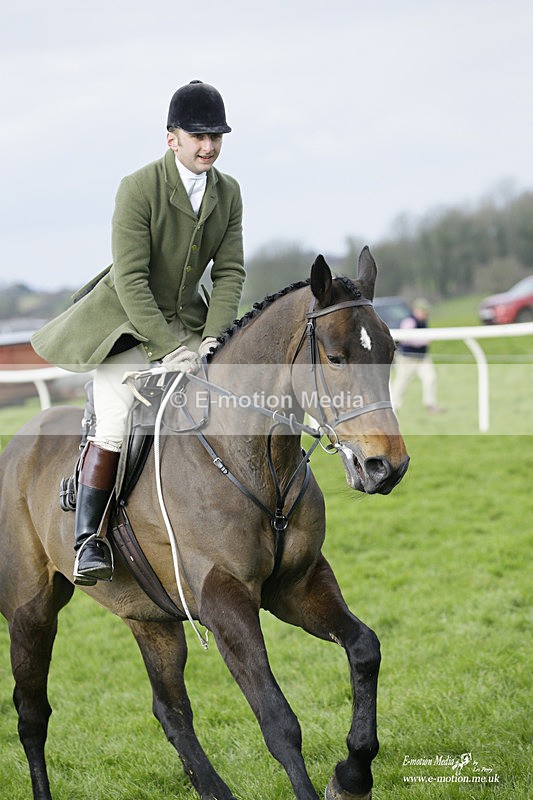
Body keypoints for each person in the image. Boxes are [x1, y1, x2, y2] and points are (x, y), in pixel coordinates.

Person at [32, 80, 245, 585]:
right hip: (127, 325)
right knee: (117, 419)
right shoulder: (137, 187)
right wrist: (169, 349)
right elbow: (130, 279)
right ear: (172, 138)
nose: (208, 146)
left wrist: (214, 338)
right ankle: (89, 539)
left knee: (233, 397)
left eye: (216, 135)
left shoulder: (229, 192)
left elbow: (230, 273)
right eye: (197, 136)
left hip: (191, 325)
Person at [390, 298, 444, 414]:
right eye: (424, 311)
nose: (426, 314)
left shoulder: (424, 321)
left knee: (430, 378)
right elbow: (407, 339)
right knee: (401, 382)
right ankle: (394, 406)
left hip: (422, 358)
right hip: (407, 358)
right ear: (417, 310)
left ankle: (430, 405)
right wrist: (424, 341)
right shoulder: (409, 321)